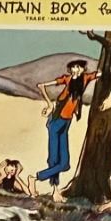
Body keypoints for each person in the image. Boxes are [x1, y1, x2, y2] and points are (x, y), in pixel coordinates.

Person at [35, 58, 97, 196]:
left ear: (83, 69)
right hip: (56, 121)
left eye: (79, 67)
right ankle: (55, 190)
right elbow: (42, 86)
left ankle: (36, 178)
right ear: (70, 69)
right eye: (74, 67)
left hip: (66, 122)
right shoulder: (67, 79)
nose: (76, 70)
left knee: (64, 164)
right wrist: (49, 104)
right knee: (53, 158)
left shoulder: (85, 78)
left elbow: (99, 74)